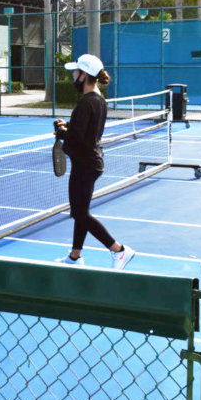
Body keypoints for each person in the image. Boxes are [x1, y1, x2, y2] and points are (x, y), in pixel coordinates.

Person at [53, 53, 135, 270]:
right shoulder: (98, 100)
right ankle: (74, 256)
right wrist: (68, 126)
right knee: (81, 212)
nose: (72, 75)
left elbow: (78, 138)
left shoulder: (86, 102)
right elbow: (85, 130)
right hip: (89, 162)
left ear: (84, 75)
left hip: (85, 165)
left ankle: (118, 250)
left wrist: (62, 131)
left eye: (75, 72)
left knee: (79, 213)